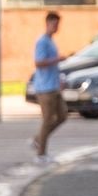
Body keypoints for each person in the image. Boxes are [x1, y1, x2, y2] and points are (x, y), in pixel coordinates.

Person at [31, 11, 67, 164]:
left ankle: (38, 139)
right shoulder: (42, 42)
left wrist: (59, 80)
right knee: (47, 120)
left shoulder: (51, 41)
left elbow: (53, 66)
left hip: (54, 86)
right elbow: (38, 63)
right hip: (44, 89)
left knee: (62, 116)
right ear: (47, 23)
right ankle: (41, 154)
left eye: (58, 24)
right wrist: (56, 59)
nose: (56, 27)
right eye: (54, 24)